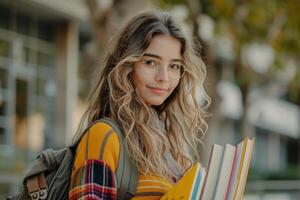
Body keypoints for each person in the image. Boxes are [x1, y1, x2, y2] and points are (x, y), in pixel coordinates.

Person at [69, 10, 210, 200]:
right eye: (151, 62)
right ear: (127, 66)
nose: (164, 78)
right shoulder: (104, 136)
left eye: (174, 66)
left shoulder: (171, 147)